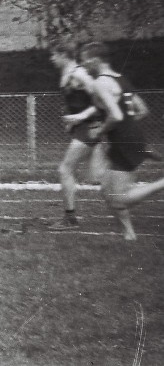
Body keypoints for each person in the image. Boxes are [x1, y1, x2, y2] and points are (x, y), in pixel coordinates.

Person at [79, 41, 164, 240]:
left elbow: (116, 115)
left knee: (120, 198)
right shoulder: (120, 79)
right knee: (107, 189)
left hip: (124, 141)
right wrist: (127, 131)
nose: (83, 66)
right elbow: (142, 110)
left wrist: (100, 131)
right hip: (128, 138)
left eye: (84, 62)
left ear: (95, 60)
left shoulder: (101, 82)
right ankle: (128, 234)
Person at [46, 43, 106, 230]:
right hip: (83, 127)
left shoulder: (79, 74)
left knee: (65, 169)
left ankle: (70, 218)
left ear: (64, 54)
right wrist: (72, 118)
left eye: (54, 55)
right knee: (99, 176)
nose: (51, 59)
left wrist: (81, 117)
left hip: (91, 127)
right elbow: (77, 101)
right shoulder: (67, 74)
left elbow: (104, 100)